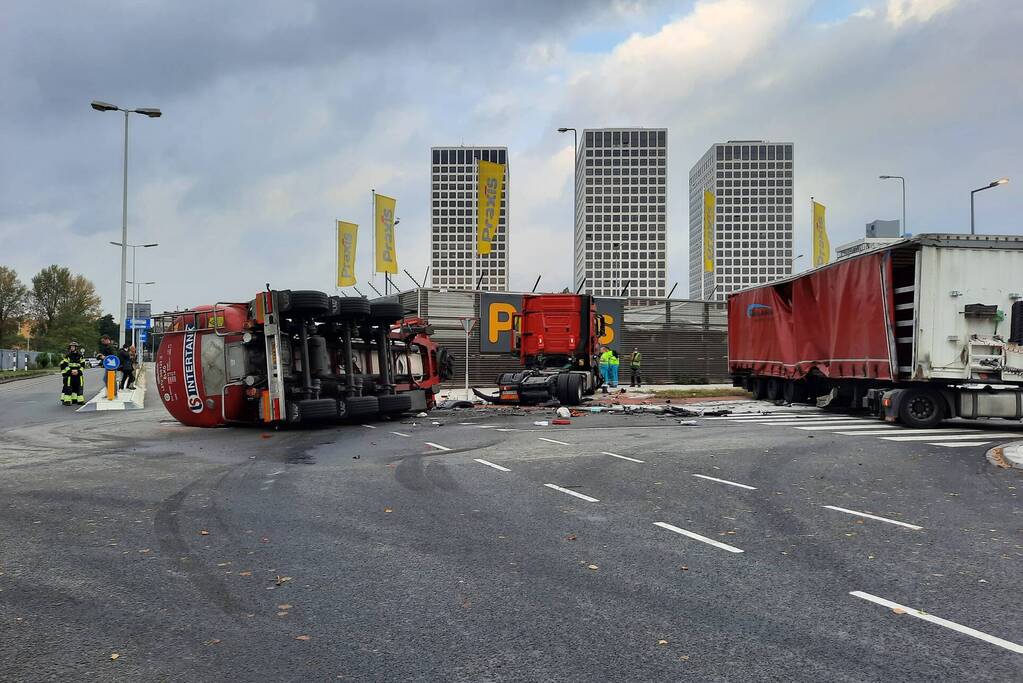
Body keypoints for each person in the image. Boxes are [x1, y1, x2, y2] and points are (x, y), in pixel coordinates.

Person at [59, 341, 86, 405]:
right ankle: (67, 401)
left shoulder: (80, 356)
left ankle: (79, 400)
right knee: (68, 387)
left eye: (73, 347)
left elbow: (83, 365)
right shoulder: (67, 356)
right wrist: (70, 371)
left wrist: (78, 371)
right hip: (70, 374)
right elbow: (65, 364)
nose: (72, 348)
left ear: (76, 348)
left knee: (79, 387)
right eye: (71, 347)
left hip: (78, 374)